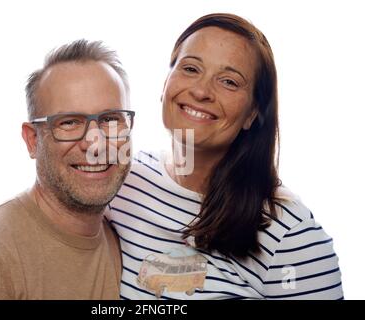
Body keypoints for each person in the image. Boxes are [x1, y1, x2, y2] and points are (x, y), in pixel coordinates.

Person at [106, 13, 343, 299]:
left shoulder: (292, 236)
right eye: (191, 69)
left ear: (252, 114)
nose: (201, 90)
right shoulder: (120, 182)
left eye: (229, 81)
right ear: (165, 83)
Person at [0, 39, 134, 299]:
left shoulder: (126, 239)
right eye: (69, 123)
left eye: (110, 119)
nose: (95, 143)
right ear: (33, 140)